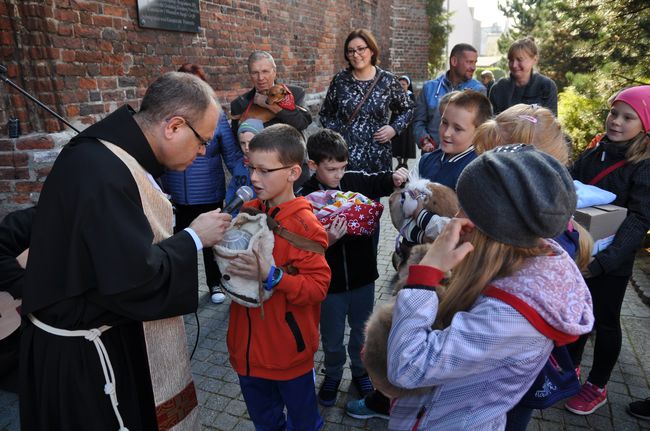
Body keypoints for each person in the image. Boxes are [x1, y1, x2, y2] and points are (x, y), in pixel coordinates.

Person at [19, 72, 232, 431]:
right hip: (83, 364)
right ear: (174, 126)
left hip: (99, 338)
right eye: (203, 141)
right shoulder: (104, 171)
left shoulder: (110, 157)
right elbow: (134, 279)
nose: (203, 152)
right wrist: (193, 238)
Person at [385, 145, 594, 430]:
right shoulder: (518, 263)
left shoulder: (511, 315)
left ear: (482, 225)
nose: (454, 215)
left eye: (463, 207)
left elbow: (408, 367)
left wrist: (424, 277)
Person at [224, 124, 331, 430]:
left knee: (303, 423)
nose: (253, 178)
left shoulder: (305, 226)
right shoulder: (247, 210)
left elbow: (318, 287)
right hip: (246, 351)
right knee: (266, 423)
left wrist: (272, 276)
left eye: (264, 170)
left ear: (293, 173)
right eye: (251, 168)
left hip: (287, 354)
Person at [298, 129, 408, 407]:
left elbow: (381, 181)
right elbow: (302, 243)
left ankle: (361, 372)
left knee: (362, 331)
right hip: (329, 283)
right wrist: (327, 240)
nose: (338, 175)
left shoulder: (354, 181)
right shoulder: (304, 197)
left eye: (342, 167)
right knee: (332, 336)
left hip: (362, 277)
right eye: (331, 169)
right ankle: (333, 373)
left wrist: (396, 177)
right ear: (312, 165)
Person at [565, 85, 650, 416]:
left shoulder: (643, 165)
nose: (617, 121)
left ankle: (597, 385)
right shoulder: (595, 150)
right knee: (577, 314)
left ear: (644, 125)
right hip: (580, 253)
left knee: (606, 320)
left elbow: (639, 218)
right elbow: (570, 181)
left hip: (610, 264)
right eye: (614, 113)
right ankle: (569, 368)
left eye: (628, 117)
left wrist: (605, 262)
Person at [161, 63, 246, 304]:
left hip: (208, 191)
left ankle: (215, 283)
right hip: (175, 193)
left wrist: (246, 178)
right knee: (180, 242)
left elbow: (230, 153)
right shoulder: (169, 118)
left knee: (211, 240)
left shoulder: (215, 117)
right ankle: (182, 290)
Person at [319, 28, 414, 175]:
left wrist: (394, 129)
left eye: (360, 49)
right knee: (345, 197)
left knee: (373, 197)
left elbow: (408, 108)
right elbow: (326, 114)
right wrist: (340, 133)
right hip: (344, 158)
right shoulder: (340, 80)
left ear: (372, 50)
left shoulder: (387, 80)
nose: (355, 55)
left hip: (377, 158)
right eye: (350, 51)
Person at [412, 43, 486, 153]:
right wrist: (424, 140)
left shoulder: (478, 90)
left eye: (475, 63)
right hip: (432, 155)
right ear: (454, 61)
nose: (473, 67)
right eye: (469, 62)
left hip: (461, 159)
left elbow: (480, 128)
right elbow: (418, 121)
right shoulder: (429, 88)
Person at [413, 90, 492, 189]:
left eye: (457, 129)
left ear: (479, 132)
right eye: (444, 122)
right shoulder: (425, 161)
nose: (446, 133)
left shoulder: (479, 171)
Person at [230, 50, 312, 135]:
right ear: (250, 75)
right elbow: (235, 139)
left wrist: (269, 105)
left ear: (274, 72)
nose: (260, 78)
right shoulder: (239, 104)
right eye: (255, 73)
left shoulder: (294, 93)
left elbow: (302, 123)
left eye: (265, 71)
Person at [489, 37, 558, 116]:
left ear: (534, 60)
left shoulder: (547, 87)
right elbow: (492, 124)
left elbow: (551, 124)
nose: (514, 65)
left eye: (519, 59)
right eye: (511, 60)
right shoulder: (498, 88)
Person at [391, 75, 417, 169]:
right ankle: (399, 162)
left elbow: (413, 108)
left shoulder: (411, 96)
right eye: (400, 84)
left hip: (407, 125)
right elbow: (391, 105)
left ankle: (405, 163)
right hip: (395, 121)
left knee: (406, 143)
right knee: (397, 142)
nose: (402, 86)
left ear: (407, 85)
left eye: (404, 84)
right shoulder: (395, 94)